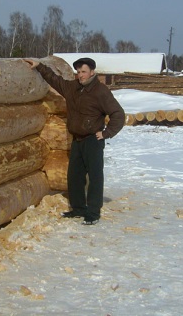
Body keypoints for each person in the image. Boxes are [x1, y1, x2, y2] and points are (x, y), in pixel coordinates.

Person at [24, 57, 125, 225]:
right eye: (78, 72)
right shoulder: (73, 87)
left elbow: (118, 114)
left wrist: (107, 133)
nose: (80, 75)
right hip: (77, 140)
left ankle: (93, 212)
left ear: (92, 72)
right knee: (74, 176)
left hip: (93, 140)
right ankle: (78, 209)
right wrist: (39, 66)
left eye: (84, 72)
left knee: (95, 177)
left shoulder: (101, 91)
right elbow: (55, 80)